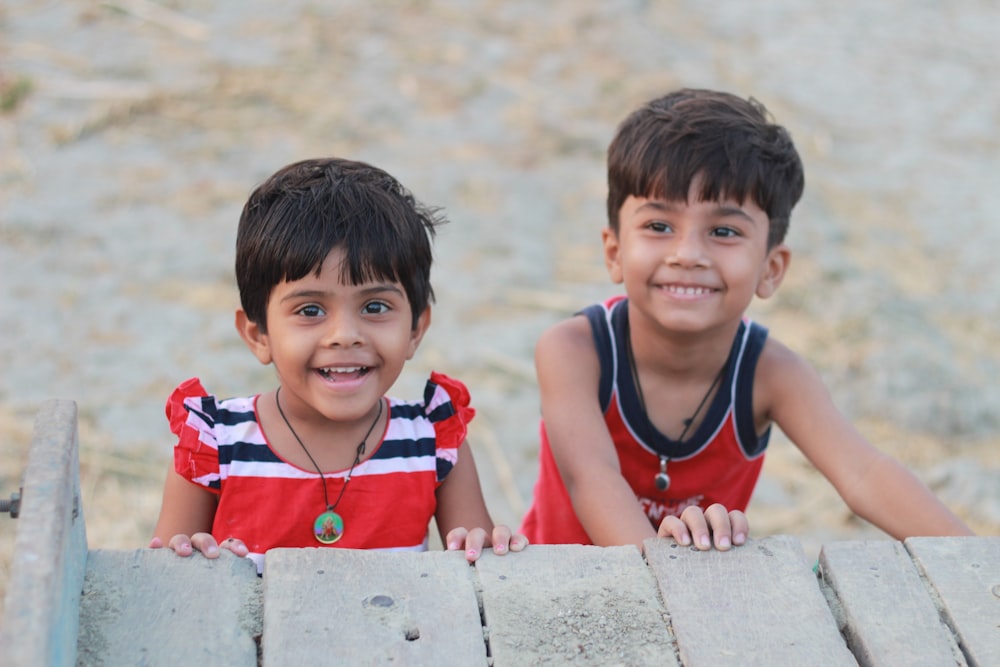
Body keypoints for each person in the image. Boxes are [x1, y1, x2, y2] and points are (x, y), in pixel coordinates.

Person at [519, 88, 973, 552]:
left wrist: (974, 559)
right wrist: (662, 576)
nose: (687, 254)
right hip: (560, 591)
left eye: (723, 231)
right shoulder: (574, 351)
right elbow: (590, 476)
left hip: (702, 607)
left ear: (770, 269)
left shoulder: (772, 374)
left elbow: (863, 473)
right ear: (614, 252)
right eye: (659, 226)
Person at [150, 157, 528, 573]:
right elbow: (170, 585)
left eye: (375, 306)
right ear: (259, 335)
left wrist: (485, 544)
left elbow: (479, 573)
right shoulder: (214, 446)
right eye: (310, 310)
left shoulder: (434, 442)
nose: (345, 334)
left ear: (416, 330)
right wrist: (192, 555)